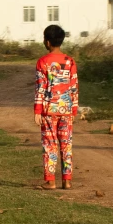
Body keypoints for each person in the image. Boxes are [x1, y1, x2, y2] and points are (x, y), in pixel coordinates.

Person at [34, 24, 78, 189]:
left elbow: (40, 88)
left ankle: (51, 181)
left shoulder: (42, 62)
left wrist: (37, 110)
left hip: (48, 110)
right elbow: (74, 87)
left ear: (47, 42)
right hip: (66, 109)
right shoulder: (70, 61)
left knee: (49, 144)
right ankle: (67, 180)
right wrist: (74, 109)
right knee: (66, 144)